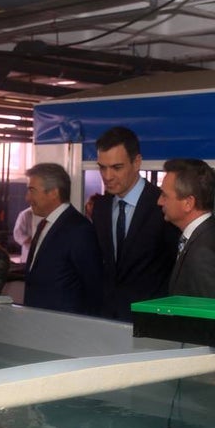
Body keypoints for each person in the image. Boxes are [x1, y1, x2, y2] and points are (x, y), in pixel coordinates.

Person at [91, 126, 180, 321]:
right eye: (102, 167)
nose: (107, 176)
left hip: (152, 323)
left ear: (137, 162)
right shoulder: (100, 207)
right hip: (107, 321)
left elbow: (177, 270)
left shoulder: (163, 206)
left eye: (116, 167)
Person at [22, 162, 102, 315]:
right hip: (36, 324)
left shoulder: (79, 230)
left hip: (65, 328)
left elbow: (93, 287)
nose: (27, 198)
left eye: (32, 191)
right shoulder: (43, 225)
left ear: (53, 192)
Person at [158, 158, 215, 300]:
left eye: (165, 195)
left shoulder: (204, 251)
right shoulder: (205, 238)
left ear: (188, 203)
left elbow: (210, 317)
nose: (159, 201)